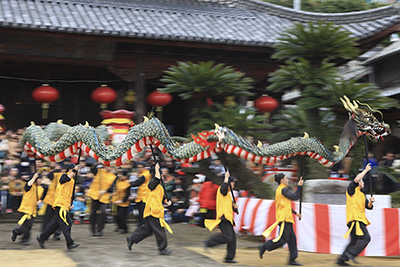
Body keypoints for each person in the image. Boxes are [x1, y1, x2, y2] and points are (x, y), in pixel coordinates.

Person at [126, 163, 173, 255]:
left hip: (155, 210)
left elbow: (161, 197)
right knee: (159, 229)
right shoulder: (151, 184)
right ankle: (162, 248)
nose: (163, 177)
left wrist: (166, 201)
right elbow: (156, 179)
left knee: (148, 229)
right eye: (161, 175)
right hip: (153, 211)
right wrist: (156, 169)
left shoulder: (159, 187)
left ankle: (132, 238)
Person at [258, 173, 303, 266]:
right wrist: (299, 186)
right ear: (282, 180)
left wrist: (295, 213)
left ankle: (292, 259)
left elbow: (285, 205)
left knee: (292, 239)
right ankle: (264, 246)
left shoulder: (281, 190)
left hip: (286, 217)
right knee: (282, 240)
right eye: (286, 179)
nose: (288, 180)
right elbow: (295, 197)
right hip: (284, 218)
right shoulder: (283, 189)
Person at [336, 164, 374, 266]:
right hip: (355, 219)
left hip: (359, 219)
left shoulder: (362, 194)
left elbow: (368, 207)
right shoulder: (351, 190)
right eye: (362, 181)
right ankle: (351, 254)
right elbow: (356, 180)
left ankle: (342, 260)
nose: (363, 183)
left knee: (354, 241)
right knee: (366, 238)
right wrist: (366, 170)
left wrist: (371, 202)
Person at [37, 163, 80, 250]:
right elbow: (66, 178)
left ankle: (42, 237)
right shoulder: (64, 176)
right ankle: (70, 243)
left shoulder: (73, 182)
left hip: (65, 205)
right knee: (66, 223)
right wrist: (74, 170)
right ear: (70, 170)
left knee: (55, 224)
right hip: (60, 204)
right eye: (75, 171)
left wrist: (71, 204)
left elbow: (71, 195)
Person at [203, 171, 238, 264]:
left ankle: (229, 258)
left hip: (228, 218)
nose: (234, 186)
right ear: (229, 183)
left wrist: (234, 207)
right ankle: (209, 242)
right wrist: (226, 178)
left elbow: (227, 206)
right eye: (233, 184)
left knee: (232, 239)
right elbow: (224, 188)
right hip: (224, 217)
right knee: (228, 237)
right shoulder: (222, 189)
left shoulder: (228, 194)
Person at [11, 172, 43, 245]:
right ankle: (24, 240)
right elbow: (27, 186)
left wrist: (40, 201)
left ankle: (16, 231)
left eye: (41, 179)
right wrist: (34, 178)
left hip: (33, 210)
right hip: (25, 209)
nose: (40, 181)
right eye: (39, 179)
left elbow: (42, 197)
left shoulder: (41, 189)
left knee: (28, 226)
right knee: (27, 225)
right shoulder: (30, 185)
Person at [86, 164, 116, 236]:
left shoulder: (113, 176)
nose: (109, 168)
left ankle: (100, 229)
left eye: (110, 166)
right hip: (94, 196)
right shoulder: (99, 171)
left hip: (104, 197)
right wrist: (99, 163)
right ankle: (93, 230)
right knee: (93, 213)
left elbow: (112, 188)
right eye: (108, 166)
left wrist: (105, 191)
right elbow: (92, 169)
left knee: (103, 213)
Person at [41, 167, 64, 240]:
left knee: (59, 218)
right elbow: (48, 175)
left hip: (60, 201)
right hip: (51, 200)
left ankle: (57, 233)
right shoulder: (55, 175)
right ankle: (44, 233)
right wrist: (56, 170)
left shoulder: (69, 177)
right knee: (47, 218)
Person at [130, 161, 152, 226]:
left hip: (145, 197)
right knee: (141, 212)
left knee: (144, 213)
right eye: (138, 167)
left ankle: (145, 226)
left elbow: (137, 183)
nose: (139, 169)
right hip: (141, 196)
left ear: (144, 167)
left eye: (140, 167)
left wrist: (127, 183)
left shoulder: (145, 174)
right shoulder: (143, 173)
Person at [111, 169, 133, 234]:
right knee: (117, 215)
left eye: (122, 175)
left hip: (124, 202)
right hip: (117, 201)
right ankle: (120, 227)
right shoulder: (118, 181)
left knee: (122, 216)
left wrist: (122, 200)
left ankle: (125, 228)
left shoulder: (127, 183)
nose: (120, 176)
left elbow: (127, 194)